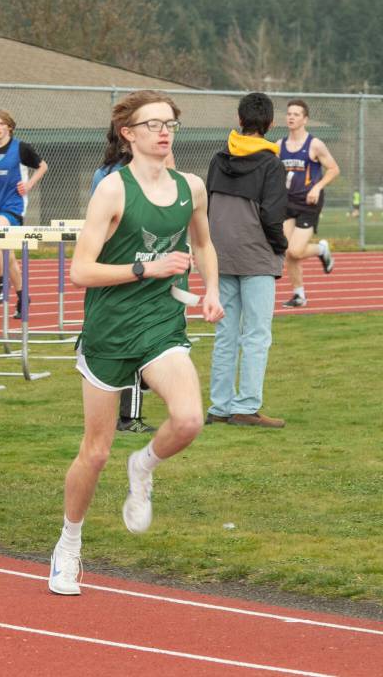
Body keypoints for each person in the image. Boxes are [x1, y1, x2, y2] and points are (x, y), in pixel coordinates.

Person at [48, 91, 224, 596]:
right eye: (153, 124)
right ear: (128, 133)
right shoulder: (112, 191)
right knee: (95, 452)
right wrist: (145, 267)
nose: (164, 132)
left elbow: (204, 244)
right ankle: (69, 544)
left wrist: (211, 291)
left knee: (189, 418)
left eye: (170, 124)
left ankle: (143, 464)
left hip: (161, 324)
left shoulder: (191, 187)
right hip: (109, 328)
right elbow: (81, 270)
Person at [205, 93, 288, 429]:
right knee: (255, 335)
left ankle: (219, 407)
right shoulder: (271, 163)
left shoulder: (217, 158)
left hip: (219, 255)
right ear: (269, 125)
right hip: (257, 256)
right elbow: (272, 214)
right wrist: (280, 245)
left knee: (226, 334)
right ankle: (246, 406)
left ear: (239, 120)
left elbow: (207, 204)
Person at [91, 128, 177, 435]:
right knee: (137, 341)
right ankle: (130, 416)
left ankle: (127, 407)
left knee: (129, 341)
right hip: (133, 270)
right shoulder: (119, 179)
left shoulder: (104, 173)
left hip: (121, 269)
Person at [0, 109, 48, 319]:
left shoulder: (21, 148)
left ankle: (1, 281)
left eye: (1, 124)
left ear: (9, 126)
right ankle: (23, 297)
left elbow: (43, 166)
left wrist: (29, 184)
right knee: (8, 256)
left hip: (13, 207)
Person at [279, 99, 339, 307]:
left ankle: (322, 250)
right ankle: (299, 295)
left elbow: (333, 169)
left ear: (305, 119)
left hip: (308, 203)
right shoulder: (279, 145)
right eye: (289, 113)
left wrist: (317, 187)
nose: (291, 117)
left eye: (296, 114)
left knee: (296, 251)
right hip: (287, 202)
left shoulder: (314, 144)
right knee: (286, 249)